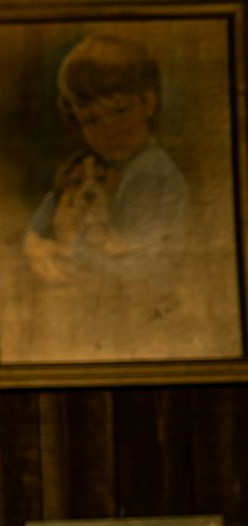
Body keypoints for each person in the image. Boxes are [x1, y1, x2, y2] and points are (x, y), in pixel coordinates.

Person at [16, 33, 230, 361]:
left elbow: (144, 265)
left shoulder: (155, 175)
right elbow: (53, 203)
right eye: (91, 121)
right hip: (100, 299)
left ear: (148, 103)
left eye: (120, 111)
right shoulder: (94, 166)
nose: (108, 129)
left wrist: (76, 253)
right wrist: (34, 240)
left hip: (144, 309)